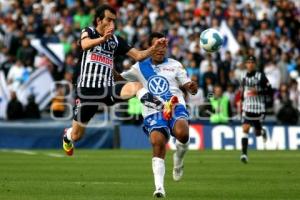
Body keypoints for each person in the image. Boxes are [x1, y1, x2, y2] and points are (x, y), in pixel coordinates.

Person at [62, 5, 168, 156]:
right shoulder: (89, 31)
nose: (112, 24)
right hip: (86, 92)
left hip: (107, 88)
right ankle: (68, 135)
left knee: (136, 87)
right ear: (99, 20)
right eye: (109, 20)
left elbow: (138, 56)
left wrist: (153, 48)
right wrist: (102, 39)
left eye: (114, 21)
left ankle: (162, 107)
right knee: (77, 136)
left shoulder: (116, 41)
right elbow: (85, 45)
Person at [121, 32, 198, 198]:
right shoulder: (140, 66)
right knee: (157, 141)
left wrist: (192, 87)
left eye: (163, 46)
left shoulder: (175, 65)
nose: (161, 49)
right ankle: (159, 188)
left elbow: (188, 86)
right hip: (153, 110)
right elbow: (119, 80)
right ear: (150, 47)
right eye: (157, 45)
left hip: (175, 105)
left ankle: (178, 160)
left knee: (183, 134)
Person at [240, 55, 272, 163]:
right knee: (245, 128)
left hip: (259, 108)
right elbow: (243, 90)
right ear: (245, 64)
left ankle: (262, 131)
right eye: (248, 62)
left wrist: (258, 92)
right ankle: (244, 154)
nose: (250, 64)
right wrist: (241, 102)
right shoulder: (243, 76)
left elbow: (270, 91)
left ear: (255, 64)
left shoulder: (261, 76)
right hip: (247, 106)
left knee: (257, 133)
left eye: (252, 62)